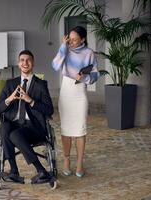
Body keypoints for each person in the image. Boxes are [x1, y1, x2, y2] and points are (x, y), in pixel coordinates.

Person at [0, 50, 54, 184]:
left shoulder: (41, 85)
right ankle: (14, 171)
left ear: (32, 63)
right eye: (22, 60)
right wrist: (9, 99)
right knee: (5, 127)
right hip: (14, 123)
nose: (25, 63)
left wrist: (31, 100)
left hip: (33, 127)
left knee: (14, 135)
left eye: (28, 60)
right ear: (18, 63)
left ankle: (41, 171)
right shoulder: (10, 84)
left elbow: (49, 110)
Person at [52, 26, 100, 178]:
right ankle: (66, 161)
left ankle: (79, 163)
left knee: (80, 129)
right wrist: (63, 47)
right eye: (69, 39)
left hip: (80, 92)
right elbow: (55, 66)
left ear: (83, 39)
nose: (71, 42)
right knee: (66, 129)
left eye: (74, 39)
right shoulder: (65, 49)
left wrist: (84, 78)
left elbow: (95, 74)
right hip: (66, 91)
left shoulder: (89, 53)